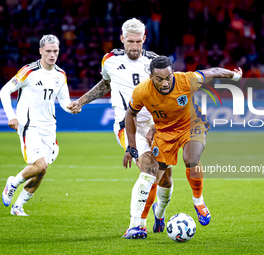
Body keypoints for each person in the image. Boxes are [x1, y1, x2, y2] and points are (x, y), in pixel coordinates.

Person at [67, 18, 173, 239]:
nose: (134, 47)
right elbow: (105, 83)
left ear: (144, 39)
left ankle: (160, 214)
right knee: (149, 168)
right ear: (122, 39)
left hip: (155, 125)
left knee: (165, 177)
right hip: (127, 125)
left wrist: (156, 124)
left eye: (138, 42)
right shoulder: (110, 60)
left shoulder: (154, 63)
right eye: (130, 42)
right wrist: (81, 101)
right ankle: (136, 225)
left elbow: (167, 93)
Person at [123, 56, 243, 236]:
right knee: (156, 179)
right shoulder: (142, 91)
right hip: (164, 133)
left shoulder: (185, 80)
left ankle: (198, 200)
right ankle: (155, 216)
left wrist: (234, 76)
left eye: (168, 77)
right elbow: (130, 114)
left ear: (173, 73)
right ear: (151, 77)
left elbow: (212, 72)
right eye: (159, 79)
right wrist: (131, 146)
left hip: (192, 125)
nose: (165, 83)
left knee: (191, 159)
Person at [1, 35, 72, 216]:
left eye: (55, 51)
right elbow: (5, 90)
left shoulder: (60, 74)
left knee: (42, 171)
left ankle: (18, 206)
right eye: (48, 51)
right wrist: (11, 116)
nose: (52, 55)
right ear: (40, 51)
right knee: (39, 165)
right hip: (29, 125)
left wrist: (74, 107)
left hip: (49, 128)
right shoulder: (29, 72)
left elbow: (65, 102)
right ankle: (13, 182)